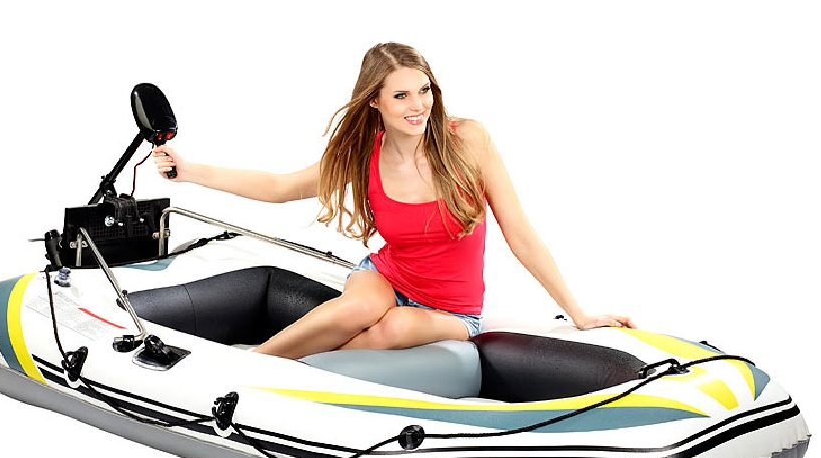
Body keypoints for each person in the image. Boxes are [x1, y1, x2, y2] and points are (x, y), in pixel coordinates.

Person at [153, 42, 635, 360]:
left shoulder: (469, 141)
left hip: (453, 308)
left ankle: (291, 371)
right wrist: (190, 171)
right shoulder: (364, 156)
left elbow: (520, 233)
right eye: (401, 95)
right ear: (375, 102)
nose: (418, 105)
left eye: (423, 90)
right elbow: (280, 187)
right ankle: (253, 364)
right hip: (386, 276)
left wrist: (579, 313)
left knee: (394, 328)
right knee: (355, 310)